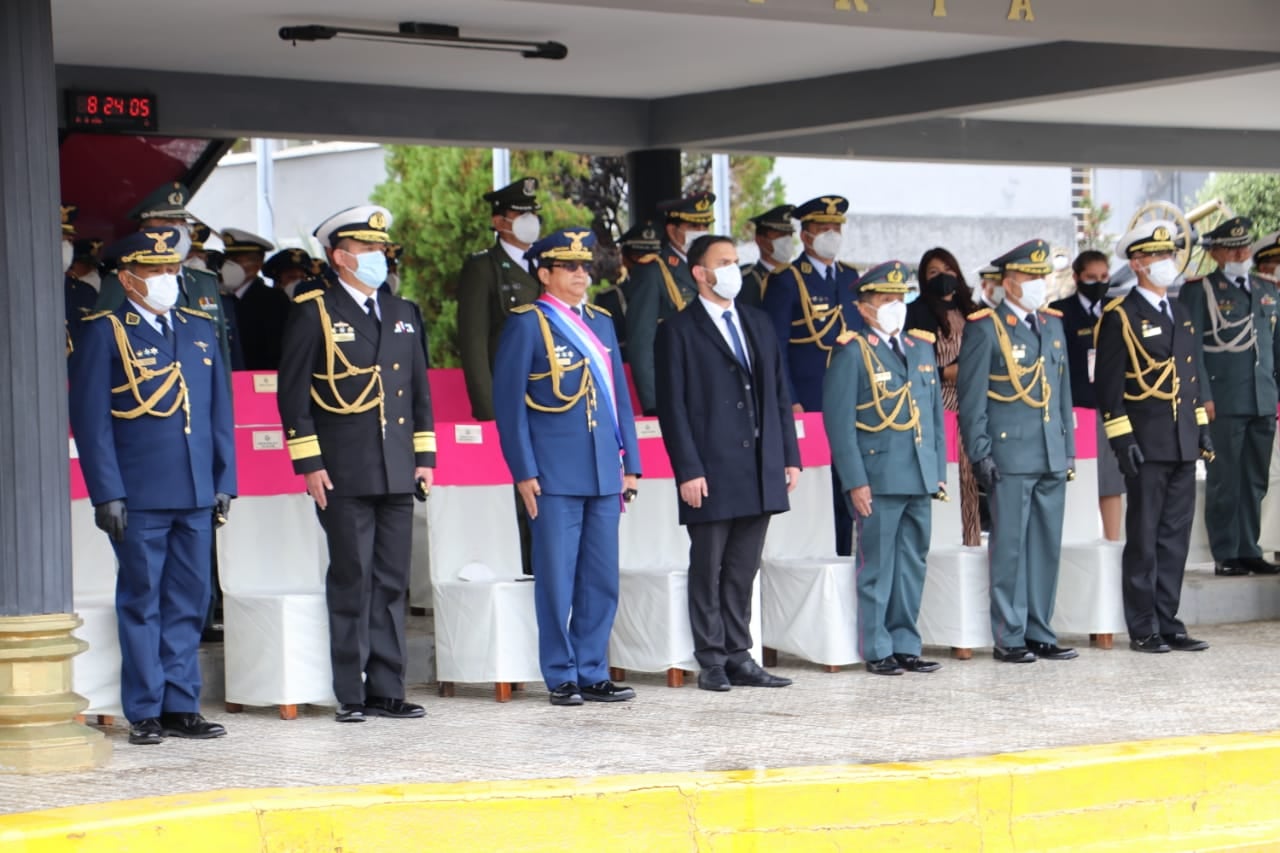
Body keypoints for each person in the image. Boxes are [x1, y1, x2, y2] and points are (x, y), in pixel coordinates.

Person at [68, 228, 234, 745]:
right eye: (154, 270)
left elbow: (218, 413)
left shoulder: (200, 329)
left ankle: (181, 704)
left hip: (195, 491)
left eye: (171, 269)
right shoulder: (104, 332)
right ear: (127, 277)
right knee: (142, 600)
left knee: (190, 599)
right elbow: (92, 422)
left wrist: (224, 480)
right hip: (138, 494)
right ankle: (144, 709)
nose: (167, 279)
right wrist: (106, 492)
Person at [276, 205, 436, 723]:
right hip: (343, 470)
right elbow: (294, 397)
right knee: (353, 576)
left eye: (380, 249)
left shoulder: (403, 312)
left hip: (395, 467)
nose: (377, 258)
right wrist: (310, 463)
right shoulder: (313, 311)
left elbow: (418, 393)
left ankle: (387, 687)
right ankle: (351, 691)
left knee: (392, 580)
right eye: (367, 250)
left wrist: (424, 457)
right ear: (340, 257)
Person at [492, 228, 641, 706]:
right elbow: (510, 407)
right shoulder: (526, 324)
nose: (582, 274)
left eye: (585, 266)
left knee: (601, 578)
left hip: (602, 470)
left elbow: (620, 398)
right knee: (556, 578)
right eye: (570, 267)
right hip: (553, 474)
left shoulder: (599, 322)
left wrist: (631, 464)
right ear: (545, 274)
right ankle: (561, 674)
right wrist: (524, 471)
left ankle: (594, 668)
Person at [655, 234, 800, 692]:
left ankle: (740, 654)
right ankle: (712, 658)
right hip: (711, 469)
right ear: (700, 272)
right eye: (724, 262)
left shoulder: (756, 323)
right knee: (709, 565)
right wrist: (688, 469)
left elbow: (779, 394)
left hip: (759, 467)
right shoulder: (677, 329)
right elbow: (672, 407)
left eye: (736, 261)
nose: (733, 269)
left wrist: (788, 458)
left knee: (744, 567)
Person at [1096, 220, 1213, 654]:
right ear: (1138, 263)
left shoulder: (1179, 313)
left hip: (1182, 443)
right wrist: (1122, 441)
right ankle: (1143, 624)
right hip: (1145, 445)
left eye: (1169, 255)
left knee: (1174, 539)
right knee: (1144, 538)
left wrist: (1201, 429)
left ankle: (1169, 621)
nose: (1168, 263)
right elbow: (1109, 389)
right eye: (1159, 257)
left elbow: (1190, 381)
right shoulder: (1121, 316)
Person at [825, 261, 947, 676]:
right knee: (876, 565)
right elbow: (839, 427)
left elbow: (932, 417)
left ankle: (906, 644)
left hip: (918, 474)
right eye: (885, 300)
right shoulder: (852, 351)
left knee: (913, 562)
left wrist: (938, 470)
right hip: (878, 479)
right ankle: (877, 647)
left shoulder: (920, 347)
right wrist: (855, 482)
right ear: (864, 307)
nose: (896, 306)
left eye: (900, 298)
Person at [958, 239, 1077, 663]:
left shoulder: (1053, 325)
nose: (1039, 284)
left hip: (1048, 452)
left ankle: (1040, 631)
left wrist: (1068, 449)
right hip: (1009, 456)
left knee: (1046, 547)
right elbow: (972, 402)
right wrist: (980, 453)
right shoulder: (985, 328)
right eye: (1030, 276)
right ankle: (1010, 636)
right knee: (1009, 548)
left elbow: (1062, 392)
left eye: (1042, 276)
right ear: (1009, 283)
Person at [761, 194, 861, 556]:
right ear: (805, 236)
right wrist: (791, 401)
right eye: (824, 228)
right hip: (812, 402)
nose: (832, 234)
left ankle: (852, 558)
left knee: (853, 483)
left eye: (836, 228)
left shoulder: (850, 277)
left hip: (854, 401)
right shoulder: (787, 280)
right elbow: (776, 349)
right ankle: (828, 560)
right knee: (820, 493)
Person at [1179, 216, 1280, 576]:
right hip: (1222, 400)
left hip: (1261, 398)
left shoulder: (1267, 289)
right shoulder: (1200, 290)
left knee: (1255, 479)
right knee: (1224, 478)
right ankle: (1226, 552)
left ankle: (1249, 548)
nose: (1242, 253)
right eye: (1233, 248)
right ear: (1218, 253)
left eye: (1245, 246)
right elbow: (1192, 351)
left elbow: (1274, 347)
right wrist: (1202, 396)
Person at [95, 183, 237, 384]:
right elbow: (103, 348)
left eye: (181, 222)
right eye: (168, 221)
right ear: (144, 230)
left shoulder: (204, 282)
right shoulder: (124, 281)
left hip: (200, 402)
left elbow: (221, 357)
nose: (178, 229)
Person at [906, 247, 982, 546]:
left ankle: (972, 543)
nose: (942, 277)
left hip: (975, 404)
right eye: (933, 273)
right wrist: (945, 372)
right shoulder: (917, 312)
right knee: (950, 477)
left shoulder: (973, 310)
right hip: (941, 404)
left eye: (947, 270)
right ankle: (945, 548)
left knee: (972, 480)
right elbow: (912, 365)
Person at [1050, 250, 1126, 541]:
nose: (1098, 282)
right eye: (1091, 277)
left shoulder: (1117, 308)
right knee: (1077, 481)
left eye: (1104, 277)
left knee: (1111, 481)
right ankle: (1076, 542)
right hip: (1075, 408)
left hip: (1110, 407)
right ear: (1077, 278)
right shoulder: (1060, 311)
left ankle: (1113, 541)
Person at [457, 177, 543, 422]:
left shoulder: (548, 264)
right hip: (511, 396)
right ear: (498, 222)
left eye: (533, 214)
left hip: (551, 396)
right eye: (520, 215)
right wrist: (489, 412)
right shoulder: (483, 268)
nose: (530, 221)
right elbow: (474, 346)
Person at [623, 192, 711, 415]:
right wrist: (655, 405)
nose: (702, 232)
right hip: (675, 389)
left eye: (705, 225)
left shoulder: (711, 269)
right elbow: (641, 345)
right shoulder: (653, 271)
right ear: (673, 231)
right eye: (694, 226)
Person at [221, 228, 290, 371]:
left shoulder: (273, 300)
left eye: (237, 260)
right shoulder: (221, 299)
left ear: (257, 264)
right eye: (227, 259)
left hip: (259, 381)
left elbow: (276, 350)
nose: (229, 265)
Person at [591, 221, 662, 356]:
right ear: (624, 258)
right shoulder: (609, 299)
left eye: (653, 257)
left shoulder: (674, 292)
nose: (646, 263)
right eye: (639, 256)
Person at [738, 204, 796, 308]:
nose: (787, 240)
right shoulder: (746, 281)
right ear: (760, 240)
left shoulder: (799, 276)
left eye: (790, 235)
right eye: (780, 235)